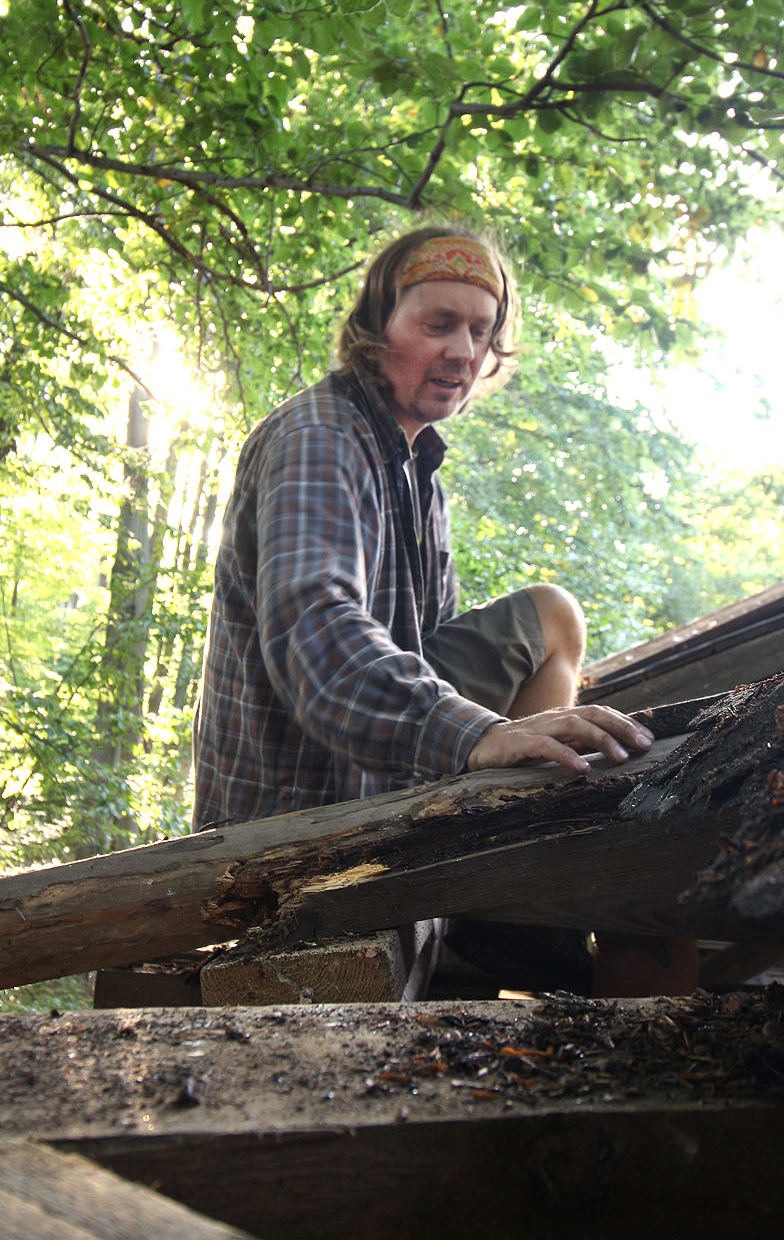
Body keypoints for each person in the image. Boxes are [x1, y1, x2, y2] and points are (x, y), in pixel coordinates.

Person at [192, 225, 695, 993]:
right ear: (374, 328)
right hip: (300, 819)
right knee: (641, 949)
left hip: (378, 772)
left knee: (551, 618)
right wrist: (483, 733)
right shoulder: (319, 440)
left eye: (480, 331)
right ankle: (529, 938)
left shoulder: (417, 466)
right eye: (438, 324)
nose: (464, 349)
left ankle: (513, 903)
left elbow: (418, 647)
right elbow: (315, 638)